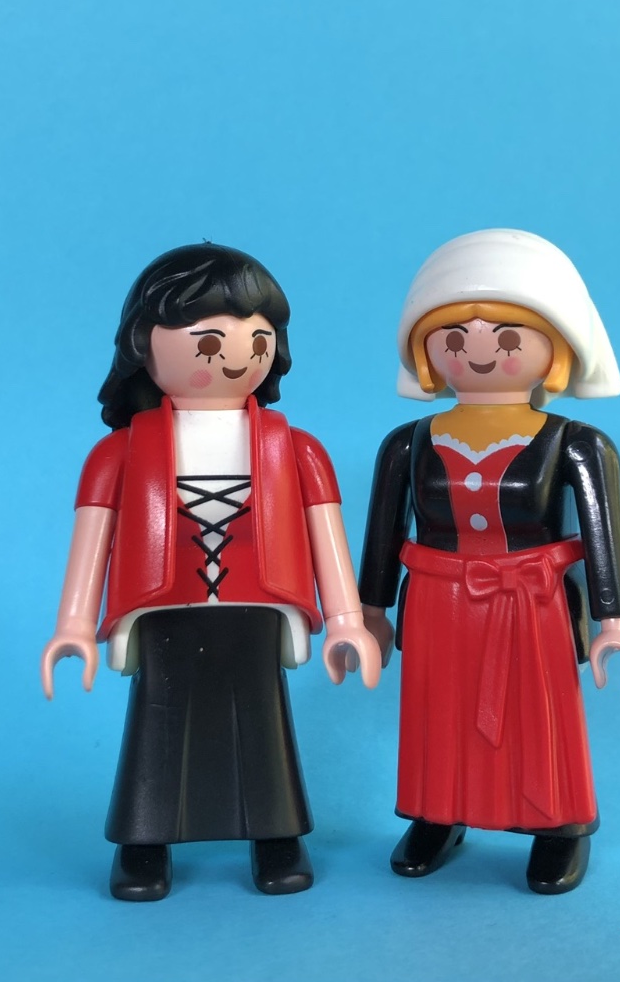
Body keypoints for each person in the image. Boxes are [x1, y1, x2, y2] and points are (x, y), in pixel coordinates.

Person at [42, 243, 380, 900]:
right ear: (143, 344)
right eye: (208, 342)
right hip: (161, 607)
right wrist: (75, 625)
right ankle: (145, 842)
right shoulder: (118, 454)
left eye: (258, 339)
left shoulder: (297, 449)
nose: (236, 356)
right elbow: (92, 542)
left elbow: (326, 537)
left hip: (260, 605)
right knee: (158, 722)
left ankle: (276, 835)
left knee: (262, 722)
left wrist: (345, 620)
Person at [359, 229, 620, 894]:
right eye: (455, 337)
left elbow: (603, 536)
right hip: (435, 604)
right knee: (438, 714)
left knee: (539, 715)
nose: (480, 352)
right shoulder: (408, 442)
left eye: (509, 337)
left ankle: (558, 826)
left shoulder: (575, 442)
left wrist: (614, 625)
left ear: (556, 348)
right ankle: (438, 813)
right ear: (426, 351)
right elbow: (382, 533)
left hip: (530, 604)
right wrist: (368, 614)